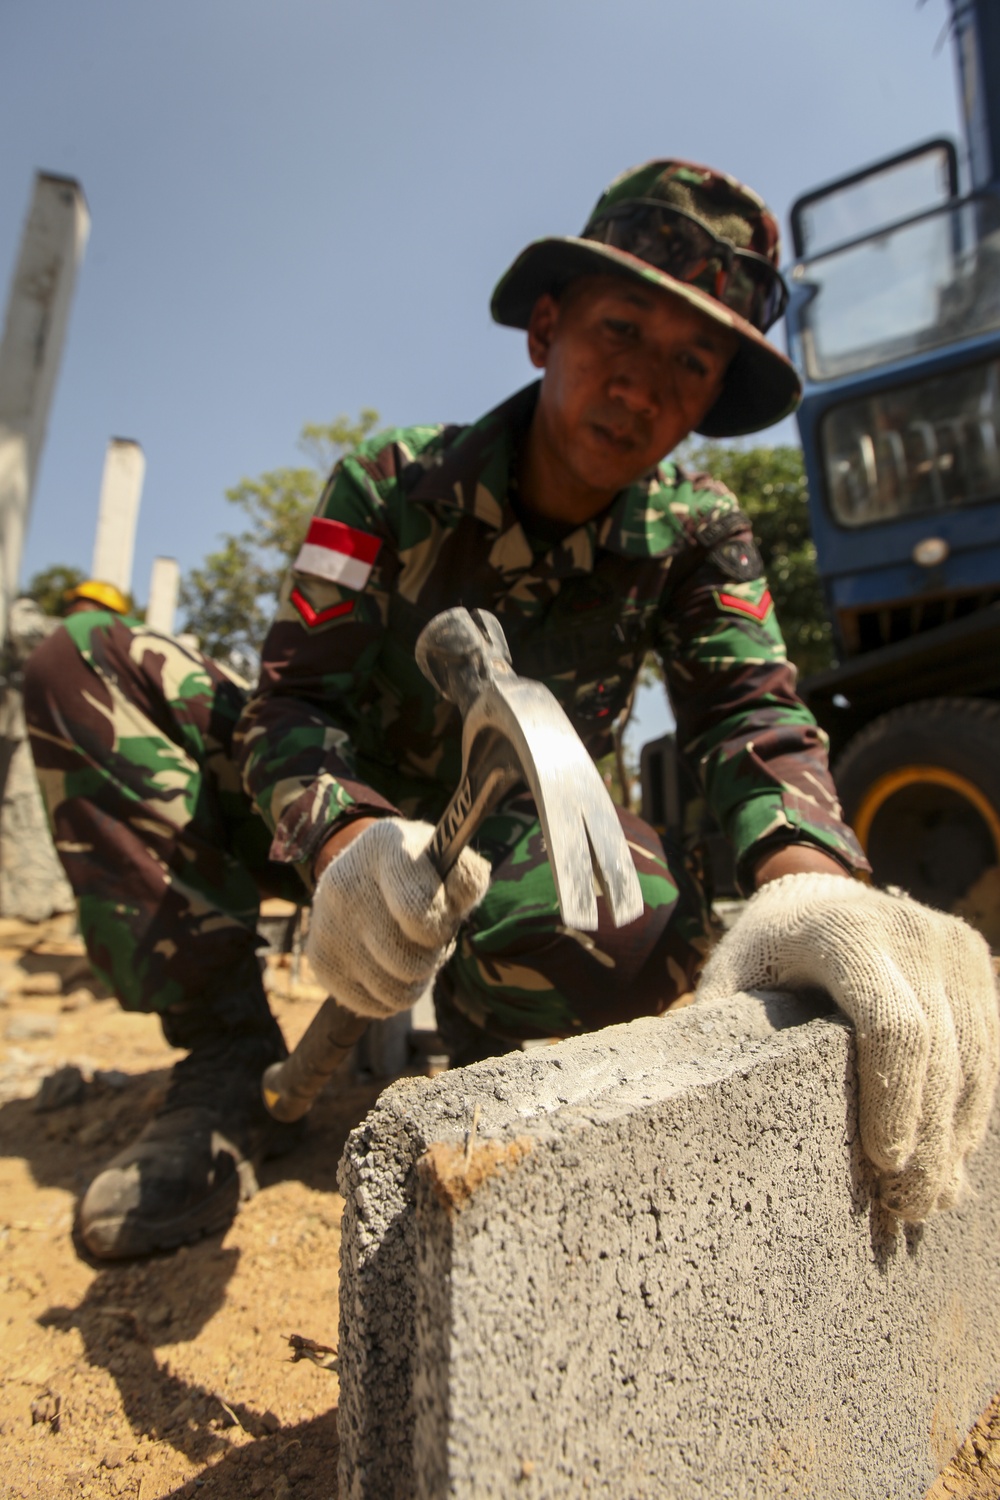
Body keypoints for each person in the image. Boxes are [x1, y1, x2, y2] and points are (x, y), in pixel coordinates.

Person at [24, 159, 998, 1261]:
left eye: (689, 364)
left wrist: (812, 887)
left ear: (709, 404)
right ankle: (221, 1075)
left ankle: (506, 1098)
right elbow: (290, 703)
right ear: (545, 329)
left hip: (522, 850)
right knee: (82, 663)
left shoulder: (697, 531)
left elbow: (748, 713)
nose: (640, 387)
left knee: (632, 914)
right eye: (620, 331)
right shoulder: (387, 488)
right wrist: (343, 839)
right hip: (323, 833)